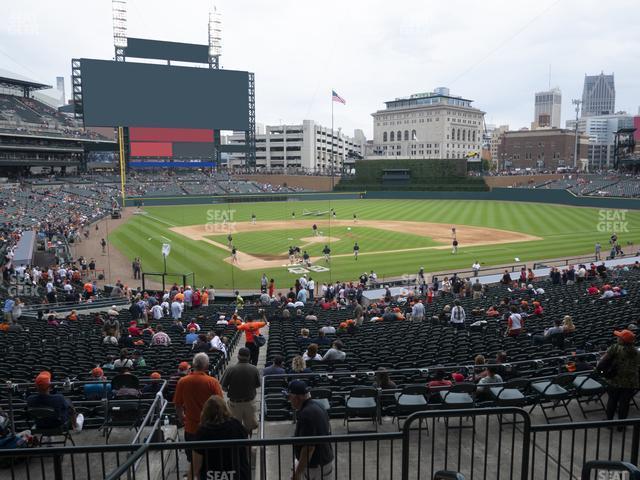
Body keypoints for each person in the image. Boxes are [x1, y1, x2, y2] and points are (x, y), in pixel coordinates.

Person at [174, 352, 224, 463]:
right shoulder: (212, 382)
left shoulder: (182, 381)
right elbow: (220, 405)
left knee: (193, 460)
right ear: (206, 365)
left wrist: (182, 418)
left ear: (193, 364)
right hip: (210, 427)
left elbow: (178, 404)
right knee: (210, 459)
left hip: (191, 428)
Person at [187, 395, 250, 480]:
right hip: (238, 475)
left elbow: (196, 465)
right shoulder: (236, 426)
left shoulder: (203, 432)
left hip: (211, 476)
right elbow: (245, 452)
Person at [287, 380, 334, 480]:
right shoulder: (318, 405)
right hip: (323, 460)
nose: (289, 400)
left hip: (316, 466)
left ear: (297, 397)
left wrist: (298, 472)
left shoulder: (306, 414)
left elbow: (309, 448)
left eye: (289, 397)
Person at [598, 330, 640, 423]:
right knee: (624, 404)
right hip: (631, 382)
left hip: (615, 380)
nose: (617, 338)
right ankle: (621, 425)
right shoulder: (637, 352)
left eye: (619, 337)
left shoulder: (615, 347)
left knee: (612, 401)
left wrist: (601, 372)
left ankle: (609, 422)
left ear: (622, 340)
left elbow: (602, 362)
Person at [220, 347, 261, 434]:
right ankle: (248, 445)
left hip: (235, 403)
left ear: (238, 356)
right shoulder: (254, 369)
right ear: (249, 357)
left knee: (234, 427)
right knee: (249, 427)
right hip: (249, 402)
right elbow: (257, 385)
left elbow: (223, 387)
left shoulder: (230, 369)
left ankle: (237, 446)